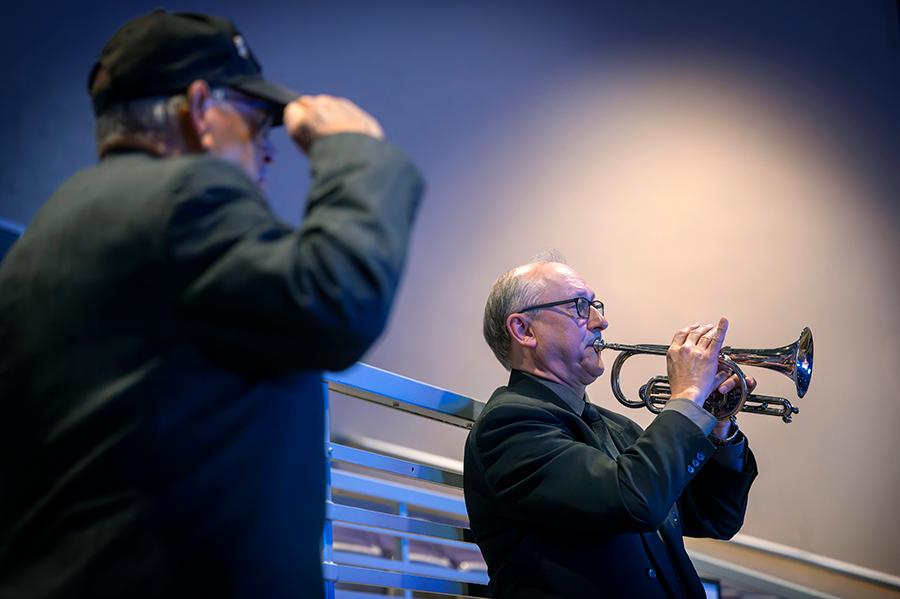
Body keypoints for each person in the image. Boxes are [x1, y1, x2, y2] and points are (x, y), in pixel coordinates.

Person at [0, 10, 424, 599]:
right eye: (257, 125)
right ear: (199, 109)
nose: (270, 153)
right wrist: (353, 153)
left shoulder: (44, 238)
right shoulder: (186, 196)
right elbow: (335, 303)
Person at [464, 254, 758, 599]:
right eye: (579, 306)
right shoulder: (508, 425)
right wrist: (689, 395)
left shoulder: (618, 428)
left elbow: (715, 517)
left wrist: (718, 422)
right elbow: (634, 501)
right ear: (524, 330)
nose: (601, 321)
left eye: (596, 306)